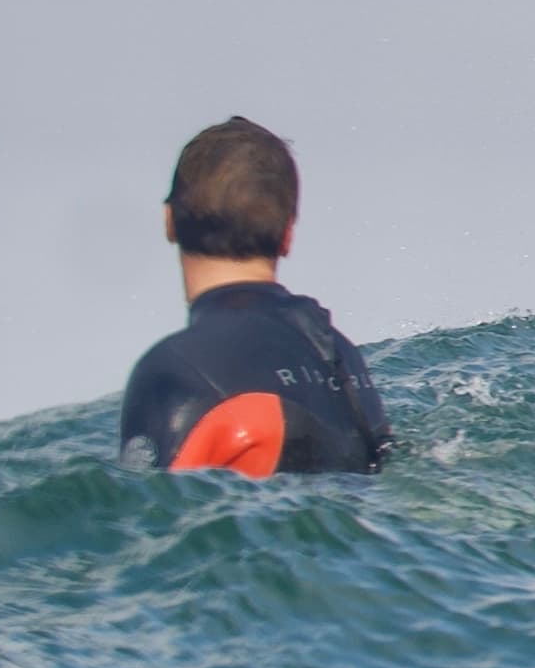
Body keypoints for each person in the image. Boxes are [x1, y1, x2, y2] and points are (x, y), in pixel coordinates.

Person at [119, 115, 392, 477]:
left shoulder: (173, 369)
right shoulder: (342, 357)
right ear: (287, 235)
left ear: (169, 221)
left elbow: (145, 516)